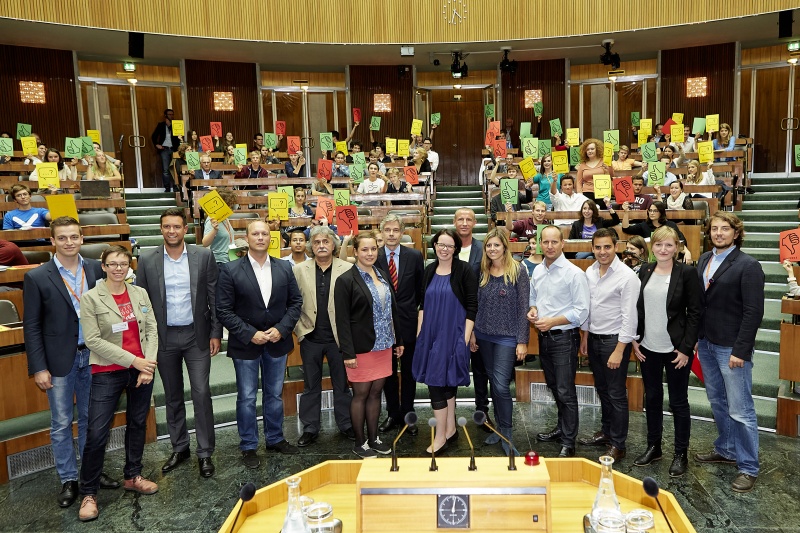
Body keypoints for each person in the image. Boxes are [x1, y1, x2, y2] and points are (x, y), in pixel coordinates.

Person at [23, 217, 118, 509]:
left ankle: (91, 472)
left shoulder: (96, 268)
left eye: (74, 237)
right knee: (62, 422)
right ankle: (68, 479)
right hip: (58, 360)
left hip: (95, 355)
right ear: (52, 241)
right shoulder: (37, 277)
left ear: (82, 239)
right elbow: (32, 326)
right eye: (62, 238)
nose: (69, 242)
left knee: (94, 419)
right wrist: (39, 367)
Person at [136, 208, 222, 478]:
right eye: (166, 226)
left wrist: (216, 332)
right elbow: (141, 302)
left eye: (176, 226)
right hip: (163, 338)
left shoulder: (203, 256)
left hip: (197, 335)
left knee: (201, 392)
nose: (171, 231)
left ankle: (205, 452)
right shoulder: (147, 259)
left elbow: (214, 296)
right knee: (172, 395)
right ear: (161, 229)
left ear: (185, 229)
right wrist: (146, 340)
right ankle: (180, 447)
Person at [77, 246, 159, 521]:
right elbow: (93, 340)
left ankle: (133, 475)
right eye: (112, 264)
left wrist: (148, 365)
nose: (118, 268)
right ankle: (89, 493)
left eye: (123, 263)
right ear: (103, 266)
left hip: (142, 370)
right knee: (97, 432)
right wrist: (135, 361)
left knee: (137, 423)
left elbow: (152, 329)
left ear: (129, 266)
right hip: (107, 371)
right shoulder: (91, 298)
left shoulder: (140, 293)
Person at [216, 220, 303, 467]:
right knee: (246, 396)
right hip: (246, 343)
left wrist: (282, 329)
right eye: (256, 233)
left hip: (277, 342)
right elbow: (223, 310)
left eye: (265, 233)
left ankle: (275, 438)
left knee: (274, 394)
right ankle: (249, 445)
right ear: (247, 238)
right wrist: (250, 333)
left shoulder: (284, 268)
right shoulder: (230, 270)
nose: (261, 237)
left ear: (270, 238)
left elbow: (295, 303)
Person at [694, 212, 764, 493]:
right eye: (714, 228)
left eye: (725, 229)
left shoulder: (748, 265)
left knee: (741, 409)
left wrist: (741, 350)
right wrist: (696, 339)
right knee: (718, 401)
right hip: (706, 343)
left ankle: (748, 467)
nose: (719, 233)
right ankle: (726, 449)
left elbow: (753, 312)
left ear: (736, 233)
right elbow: (700, 303)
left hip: (732, 348)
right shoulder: (704, 260)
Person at [631, 226, 701, 478]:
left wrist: (686, 348)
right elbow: (638, 308)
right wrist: (635, 340)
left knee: (678, 402)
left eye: (669, 245)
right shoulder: (645, 271)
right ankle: (654, 447)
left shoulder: (687, 273)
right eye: (659, 244)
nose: (663, 249)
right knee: (652, 398)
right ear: (652, 247)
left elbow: (695, 313)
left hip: (676, 349)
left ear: (677, 247)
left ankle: (680, 453)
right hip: (648, 347)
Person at [335, 230, 404, 459]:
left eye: (373, 248)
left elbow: (392, 310)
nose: (370, 253)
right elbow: (342, 320)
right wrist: (348, 353)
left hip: (384, 344)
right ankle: (360, 442)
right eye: (364, 249)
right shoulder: (345, 280)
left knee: (376, 393)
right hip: (360, 348)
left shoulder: (382, 274)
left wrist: (398, 340)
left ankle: (374, 438)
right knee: (361, 394)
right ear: (355, 252)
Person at [527, 225, 590, 457]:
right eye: (545, 242)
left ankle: (568, 441)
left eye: (554, 242)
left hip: (564, 338)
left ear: (563, 243)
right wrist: (533, 309)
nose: (550, 246)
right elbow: (533, 297)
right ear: (540, 244)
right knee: (554, 387)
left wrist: (553, 321)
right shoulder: (538, 270)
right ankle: (561, 428)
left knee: (565, 391)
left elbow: (582, 311)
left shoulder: (574, 273)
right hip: (544, 338)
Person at [579, 228, 640, 463]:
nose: (602, 251)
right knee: (602, 389)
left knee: (616, 394)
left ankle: (618, 444)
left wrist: (619, 350)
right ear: (592, 248)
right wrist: (585, 336)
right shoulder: (590, 271)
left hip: (614, 341)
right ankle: (606, 432)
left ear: (616, 247)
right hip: (594, 339)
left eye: (607, 247)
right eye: (598, 247)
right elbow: (589, 307)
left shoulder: (627, 276)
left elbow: (630, 318)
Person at [413, 229, 477, 453]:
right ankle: (449, 429)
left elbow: (472, 306)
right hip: (430, 335)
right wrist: (420, 335)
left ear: (456, 249)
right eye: (441, 244)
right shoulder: (429, 270)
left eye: (450, 246)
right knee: (439, 382)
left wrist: (464, 339)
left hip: (454, 335)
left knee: (442, 383)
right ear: (434, 245)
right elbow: (422, 304)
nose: (445, 249)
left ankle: (440, 436)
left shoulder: (464, 270)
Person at [293, 226, 355, 446]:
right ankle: (310, 428)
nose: (321, 245)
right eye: (317, 242)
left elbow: (354, 304)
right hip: (310, 337)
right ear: (311, 246)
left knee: (342, 384)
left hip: (339, 339)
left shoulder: (348, 268)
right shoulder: (299, 270)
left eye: (325, 241)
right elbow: (292, 302)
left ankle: (346, 423)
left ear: (333, 245)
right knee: (311, 385)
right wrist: (299, 330)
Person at [471, 229, 529, 455]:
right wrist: (473, 333)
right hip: (484, 335)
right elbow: (475, 304)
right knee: (493, 384)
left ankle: (507, 434)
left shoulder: (518, 270)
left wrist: (522, 340)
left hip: (507, 337)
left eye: (496, 245)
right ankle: (498, 428)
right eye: (488, 245)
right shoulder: (482, 271)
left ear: (505, 246)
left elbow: (523, 307)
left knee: (501, 385)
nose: (492, 249)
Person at [375, 215, 424, 436]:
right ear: (382, 232)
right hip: (382, 325)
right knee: (388, 373)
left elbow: (420, 291)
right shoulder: (374, 256)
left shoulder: (414, 256)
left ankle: (408, 414)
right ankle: (393, 413)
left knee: (408, 371)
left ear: (402, 232)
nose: (392, 234)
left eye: (396, 230)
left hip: (408, 323)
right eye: (387, 230)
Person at [453, 208, 492, 430]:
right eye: (460, 219)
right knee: (451, 365)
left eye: (469, 219)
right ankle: (449, 412)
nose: (464, 223)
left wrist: (475, 324)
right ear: (454, 222)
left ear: (475, 223)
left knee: (480, 369)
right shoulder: (447, 247)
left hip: (478, 316)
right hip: (451, 317)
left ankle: (482, 412)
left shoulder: (482, 249)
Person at [621, 201, 692, 263]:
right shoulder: (644, 226)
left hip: (668, 258)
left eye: (655, 211)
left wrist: (687, 252)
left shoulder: (670, 225)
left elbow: (679, 241)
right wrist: (626, 212)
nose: (652, 213)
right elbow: (626, 229)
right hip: (649, 260)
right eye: (650, 210)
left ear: (661, 212)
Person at [202, 189, 238, 264]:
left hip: (230, 259)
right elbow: (205, 243)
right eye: (230, 205)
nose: (232, 208)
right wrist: (214, 230)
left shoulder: (225, 218)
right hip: (219, 262)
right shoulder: (212, 220)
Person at [151, 108, 180, 192]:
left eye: (172, 114)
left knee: (175, 169)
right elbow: (154, 136)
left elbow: (179, 136)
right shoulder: (161, 125)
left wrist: (170, 126)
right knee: (166, 169)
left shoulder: (176, 125)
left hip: (174, 149)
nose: (171, 116)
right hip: (165, 149)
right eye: (169, 114)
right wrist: (157, 144)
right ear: (165, 115)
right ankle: (167, 188)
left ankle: (176, 187)